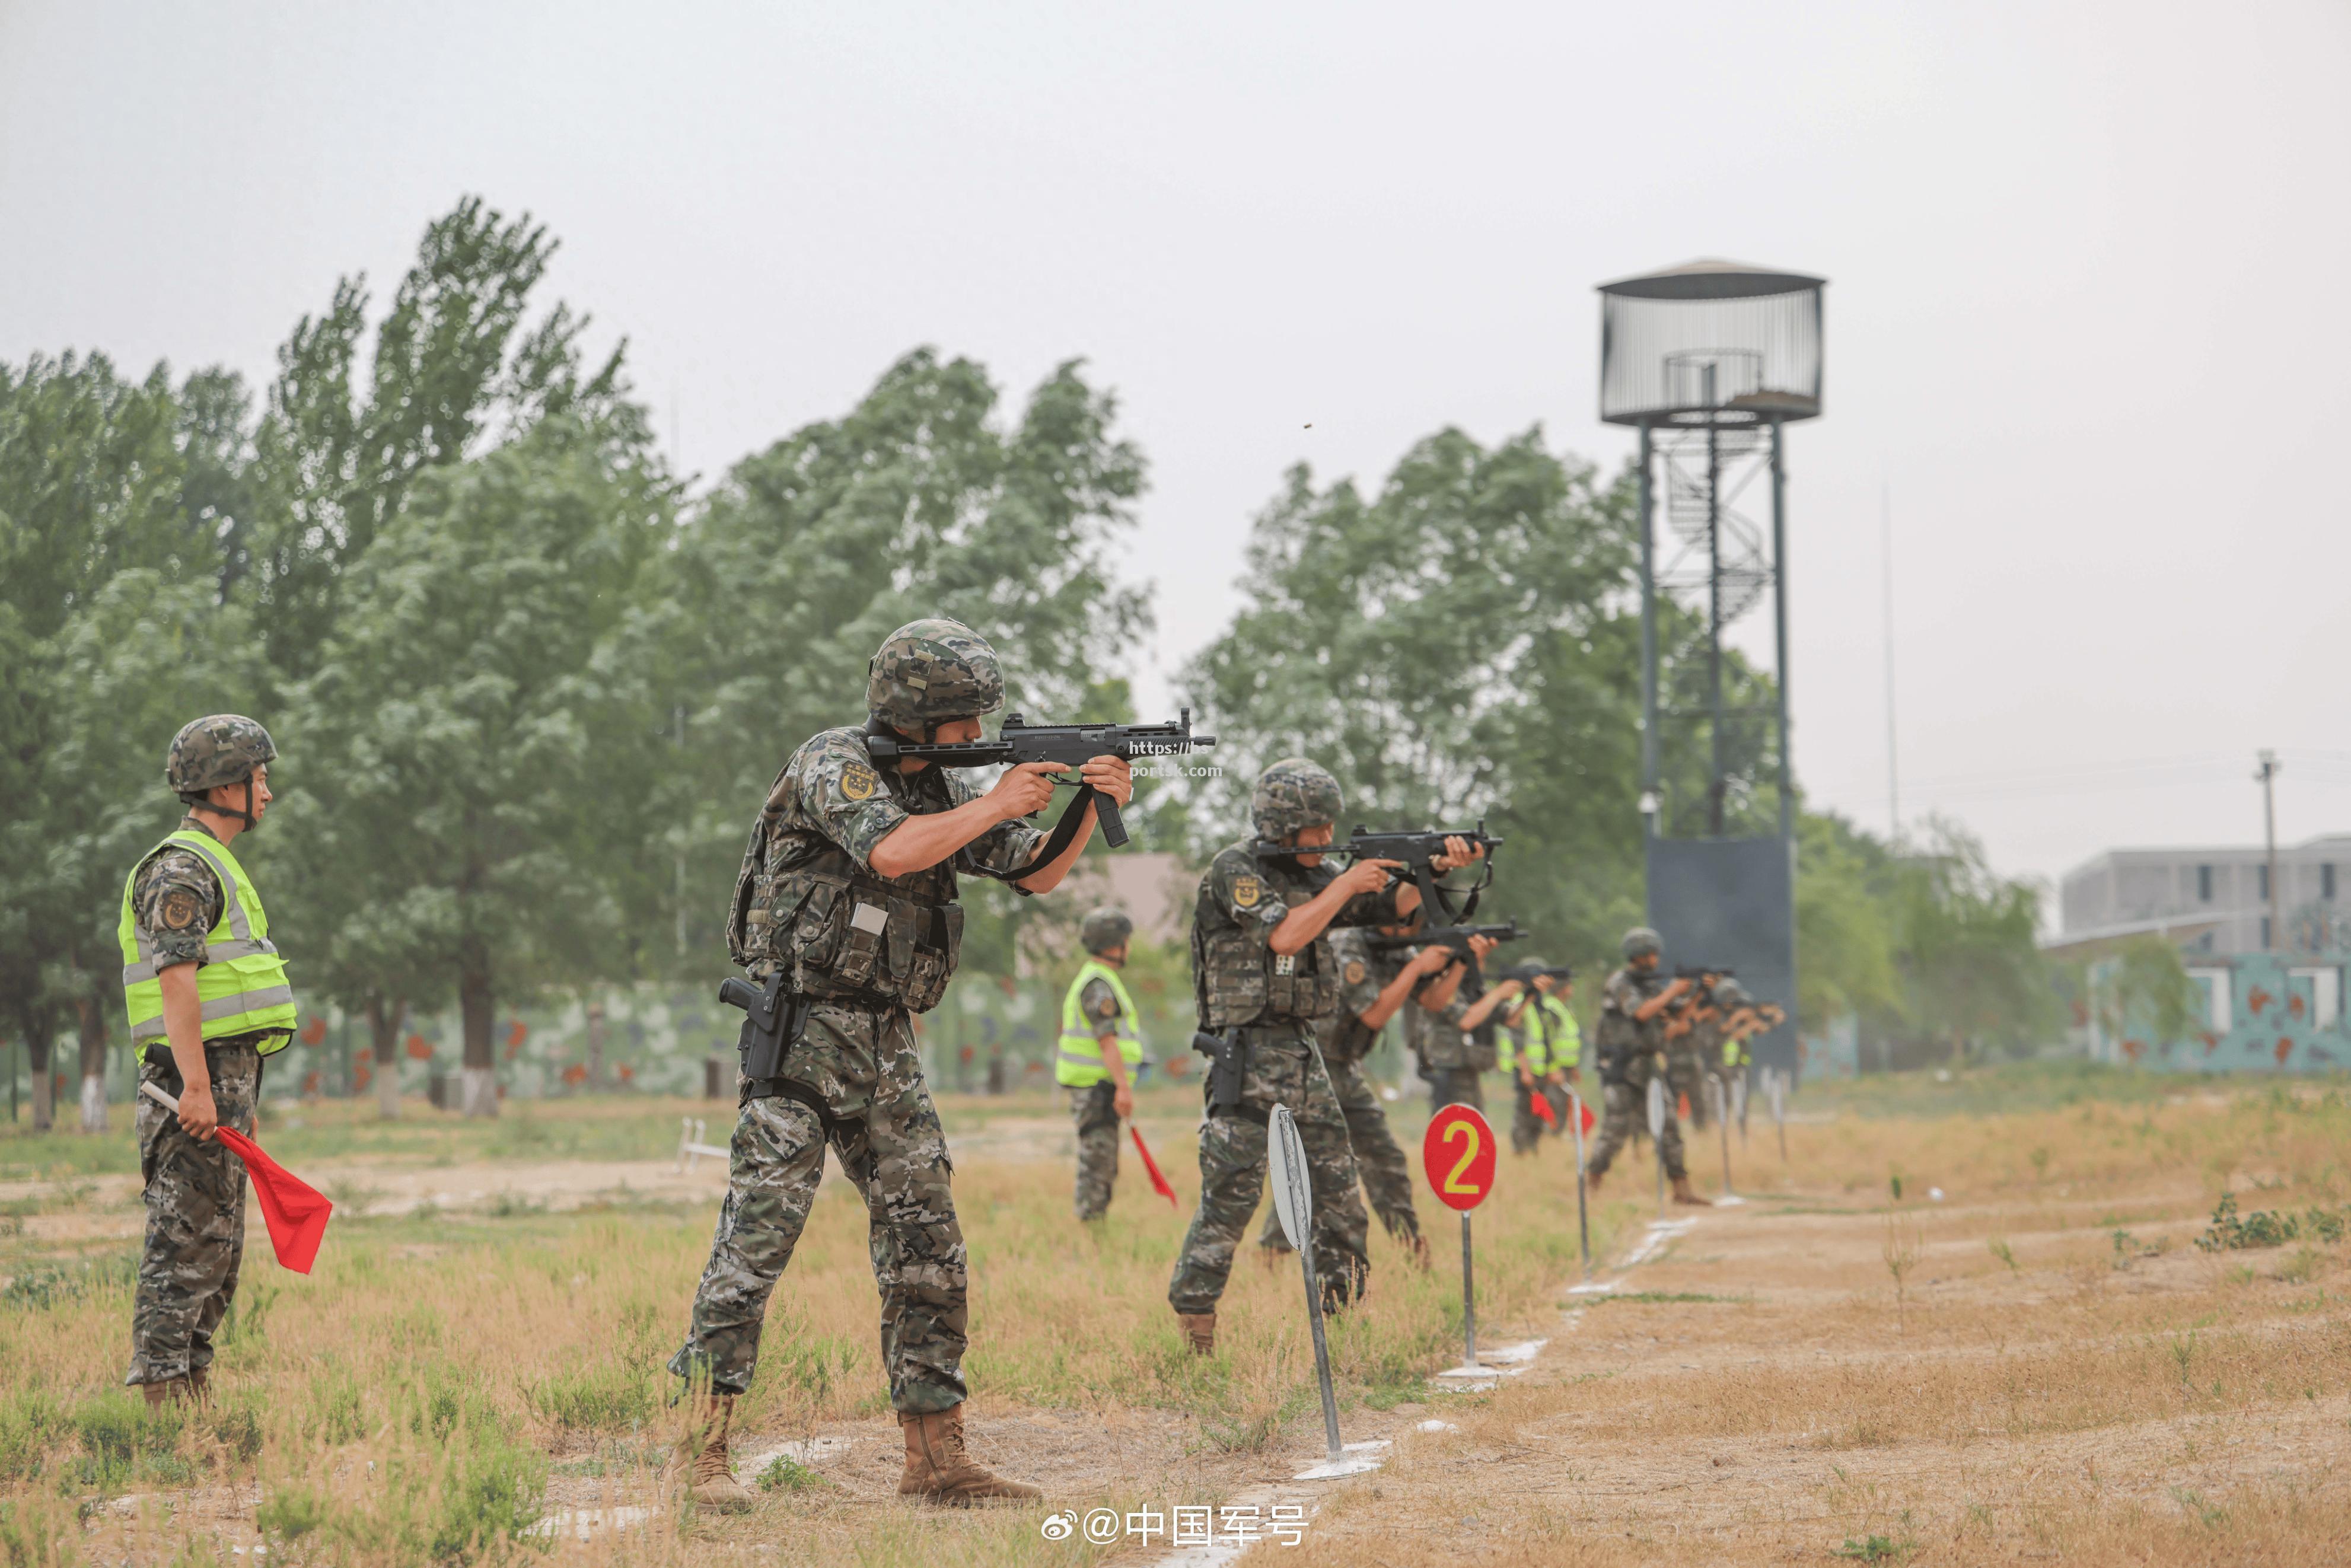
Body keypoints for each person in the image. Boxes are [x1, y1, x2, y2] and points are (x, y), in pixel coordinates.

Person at [668, 617, 1130, 1508]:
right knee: (757, 1242)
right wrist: (998, 798)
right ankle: (699, 1454)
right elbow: (888, 849)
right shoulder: (834, 761)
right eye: (962, 722)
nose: (975, 738)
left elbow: (1034, 874)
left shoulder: (946, 788)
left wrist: (1083, 805)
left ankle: (937, 1458)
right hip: (803, 1033)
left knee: (929, 1248)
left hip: (885, 1043)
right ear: (913, 713)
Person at [1168, 758, 1474, 1353]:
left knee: (1339, 1191)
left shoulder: (1322, 873)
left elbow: (1392, 911)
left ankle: (1341, 1322)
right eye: (1317, 828)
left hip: (1306, 1053)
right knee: (1231, 1196)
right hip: (1247, 1054)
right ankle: (1196, 1322)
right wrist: (1344, 883)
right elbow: (1283, 934)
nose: (1327, 838)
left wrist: (1430, 868)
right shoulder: (1236, 869)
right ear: (1283, 825)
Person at [119, 716, 298, 1408]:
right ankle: (164, 1414)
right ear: (225, 786)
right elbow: (177, 980)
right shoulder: (182, 868)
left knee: (217, 1248)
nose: (268, 793)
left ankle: (194, 1402)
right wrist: (197, 1085)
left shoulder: (214, 863)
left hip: (223, 1080)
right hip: (189, 1082)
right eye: (259, 779)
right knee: (182, 1244)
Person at [1252, 926, 1450, 1270]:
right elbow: (1373, 1013)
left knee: (1384, 1155)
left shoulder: (1394, 950)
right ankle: (1272, 1251)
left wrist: (1462, 962)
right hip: (1311, 1064)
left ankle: (1410, 1245)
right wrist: (1418, 967)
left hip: (1345, 1067)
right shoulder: (1348, 944)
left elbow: (1434, 1000)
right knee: (1316, 1163)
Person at [1584, 927, 1706, 1206]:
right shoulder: (1620, 983)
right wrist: (1674, 989)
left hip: (1650, 1065)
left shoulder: (1651, 986)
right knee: (1616, 1129)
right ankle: (1592, 1181)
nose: (1656, 959)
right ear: (1638, 955)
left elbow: (1675, 1014)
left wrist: (1699, 992)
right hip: (1623, 1067)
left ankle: (1681, 1188)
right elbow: (1641, 1012)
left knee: (1670, 1127)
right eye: (1651, 954)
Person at [1056, 907, 1144, 1222]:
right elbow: (1107, 1041)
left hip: (1098, 1088)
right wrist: (1123, 1088)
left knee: (1104, 1161)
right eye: (1126, 941)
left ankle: (1095, 1223)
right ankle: (1090, 1227)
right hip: (1095, 1090)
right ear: (1113, 945)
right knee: (1097, 1163)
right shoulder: (1098, 985)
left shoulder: (1101, 980)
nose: (1128, 947)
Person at [1490, 961, 1579, 1156]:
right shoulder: (1521, 1005)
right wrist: (1524, 1070)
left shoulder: (1543, 1006)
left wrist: (1552, 1068)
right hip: (1527, 1071)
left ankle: (1533, 1149)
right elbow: (1517, 1040)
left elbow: (1549, 1042)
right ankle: (1520, 1151)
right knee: (1524, 1114)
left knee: (1538, 1114)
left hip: (1541, 1070)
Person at [1664, 968, 1726, 1131]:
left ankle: (1702, 1131)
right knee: (1671, 1102)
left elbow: (1707, 1016)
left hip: (1692, 1058)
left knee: (1700, 1101)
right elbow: (1679, 1027)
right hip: (1674, 1060)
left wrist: (1708, 991)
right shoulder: (1669, 1007)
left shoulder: (1691, 1005)